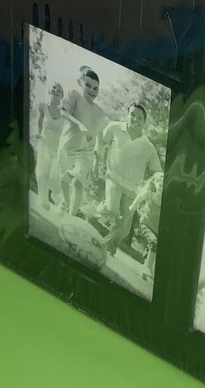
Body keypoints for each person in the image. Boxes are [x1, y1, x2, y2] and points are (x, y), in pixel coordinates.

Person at [99, 103, 163, 254]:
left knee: (124, 230)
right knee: (111, 209)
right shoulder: (114, 127)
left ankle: (107, 245)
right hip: (114, 179)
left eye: (139, 117)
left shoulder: (148, 147)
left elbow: (158, 172)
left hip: (132, 190)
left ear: (144, 122)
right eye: (132, 115)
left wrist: (154, 187)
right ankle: (98, 210)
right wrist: (97, 159)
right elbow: (100, 140)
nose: (135, 119)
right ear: (127, 115)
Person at [60, 65, 109, 218]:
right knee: (63, 180)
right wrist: (80, 125)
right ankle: (67, 203)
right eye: (88, 85)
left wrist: (97, 160)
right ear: (79, 82)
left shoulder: (99, 112)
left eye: (95, 88)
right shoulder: (74, 95)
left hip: (85, 154)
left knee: (77, 182)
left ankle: (71, 217)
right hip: (67, 148)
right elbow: (63, 111)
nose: (92, 90)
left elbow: (100, 138)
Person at [33, 82, 68, 211]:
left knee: (54, 178)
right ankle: (43, 201)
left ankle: (56, 195)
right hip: (44, 144)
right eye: (54, 88)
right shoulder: (43, 107)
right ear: (50, 91)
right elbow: (39, 123)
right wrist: (38, 134)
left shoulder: (64, 113)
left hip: (58, 150)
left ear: (62, 96)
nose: (56, 90)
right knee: (42, 173)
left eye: (59, 89)